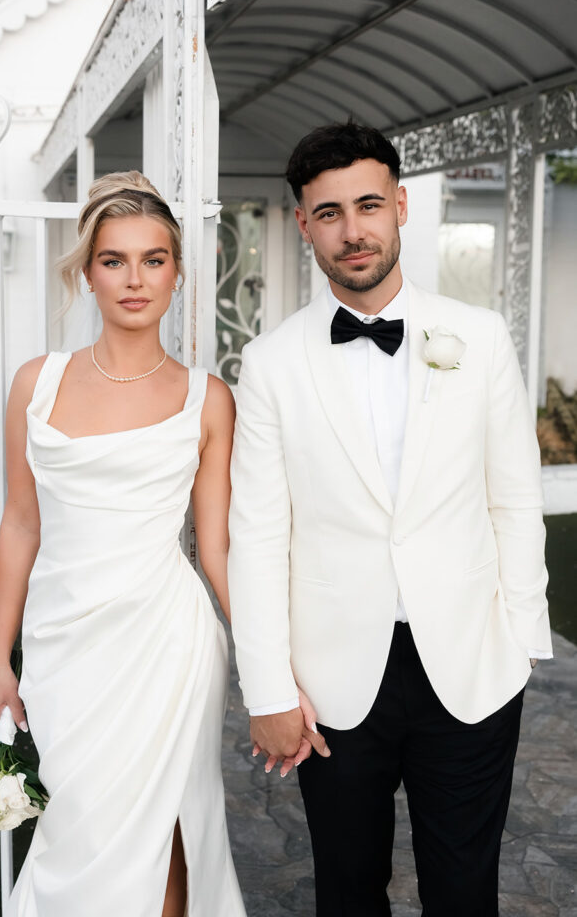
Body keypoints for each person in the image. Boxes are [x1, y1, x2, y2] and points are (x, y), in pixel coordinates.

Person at [228, 121, 552, 916]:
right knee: (346, 891)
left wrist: (518, 641)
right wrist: (267, 688)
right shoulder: (269, 364)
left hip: (471, 667)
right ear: (302, 224)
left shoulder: (479, 337)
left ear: (400, 206)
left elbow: (513, 498)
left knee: (464, 892)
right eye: (328, 212)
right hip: (333, 680)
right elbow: (258, 537)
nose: (352, 230)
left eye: (367, 205)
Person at [0, 171, 246, 917]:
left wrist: (269, 666)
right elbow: (21, 524)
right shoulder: (37, 383)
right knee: (79, 828)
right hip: (65, 647)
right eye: (114, 260)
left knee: (168, 828)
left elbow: (216, 550)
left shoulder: (207, 399)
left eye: (153, 260)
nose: (135, 279)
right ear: (88, 273)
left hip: (167, 644)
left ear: (177, 272)